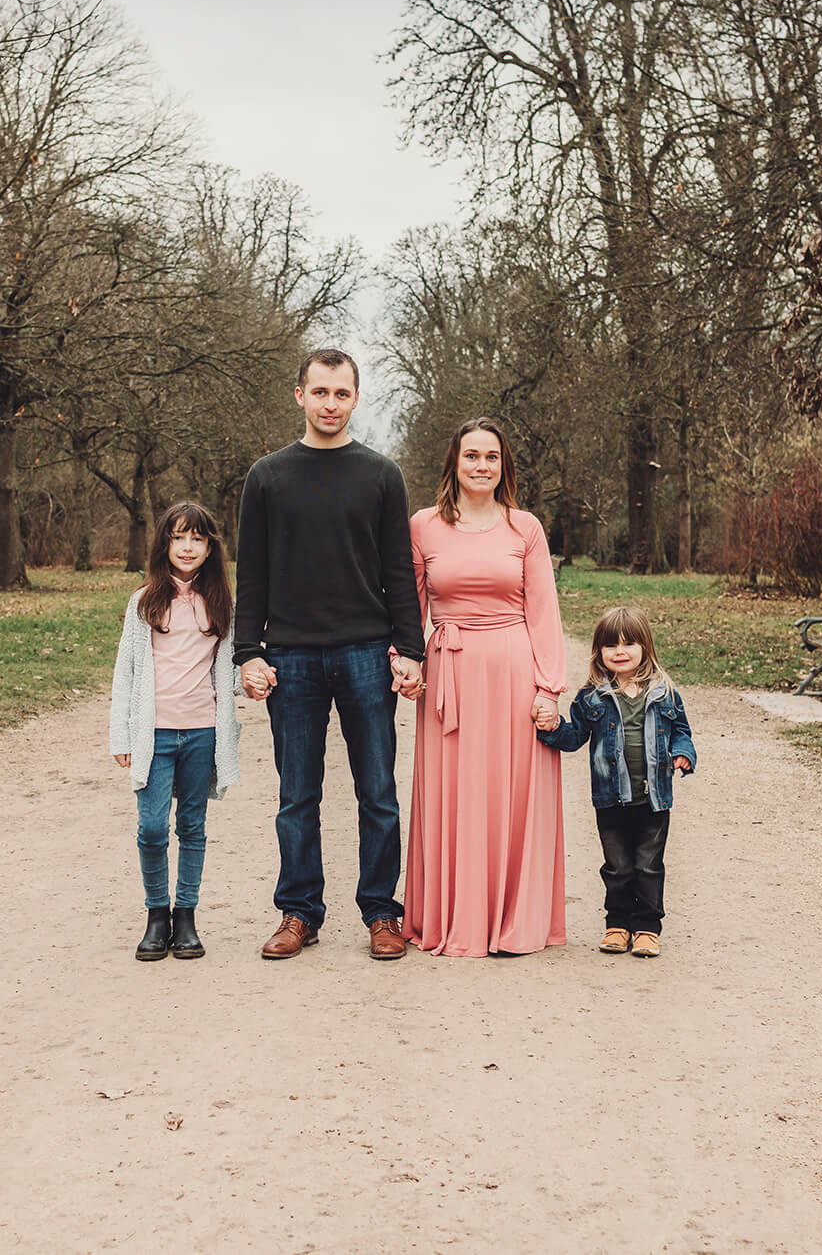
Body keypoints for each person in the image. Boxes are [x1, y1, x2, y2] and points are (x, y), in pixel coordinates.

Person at [235, 348, 426, 961]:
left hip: (367, 652)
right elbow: (253, 573)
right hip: (290, 656)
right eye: (320, 392)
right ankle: (299, 912)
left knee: (378, 790)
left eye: (341, 394)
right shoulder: (267, 477)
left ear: (356, 398)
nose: (330, 404)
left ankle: (380, 912)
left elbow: (399, 569)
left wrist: (411, 650)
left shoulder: (380, 475)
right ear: (299, 395)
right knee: (298, 795)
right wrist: (247, 651)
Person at [403, 418, 569, 957]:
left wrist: (549, 688)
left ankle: (510, 919)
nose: (481, 465)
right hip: (448, 675)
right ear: (454, 461)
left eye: (492, 457)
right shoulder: (424, 525)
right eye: (471, 455)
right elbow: (411, 606)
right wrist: (401, 659)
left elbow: (544, 612)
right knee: (453, 793)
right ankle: (452, 916)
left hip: (513, 672)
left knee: (510, 792)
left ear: (504, 467)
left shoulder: (526, 528)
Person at [109, 502, 241, 961]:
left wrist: (258, 677)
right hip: (156, 733)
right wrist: (121, 736)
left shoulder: (222, 602)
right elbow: (125, 671)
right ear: (165, 544)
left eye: (198, 539)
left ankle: (186, 917)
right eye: (179, 537)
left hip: (202, 732)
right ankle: (156, 915)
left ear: (210, 548)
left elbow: (230, 671)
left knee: (192, 826)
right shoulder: (144, 601)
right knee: (150, 828)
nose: (188, 547)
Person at [536, 606, 697, 958]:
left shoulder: (664, 692)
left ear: (645, 647)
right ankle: (617, 925)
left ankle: (647, 929)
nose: (620, 652)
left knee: (648, 866)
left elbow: (681, 731)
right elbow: (574, 736)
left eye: (629, 644)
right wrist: (551, 727)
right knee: (618, 866)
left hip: (654, 800)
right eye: (611, 645)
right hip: (610, 799)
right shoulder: (592, 697)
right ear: (599, 651)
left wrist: (683, 753)